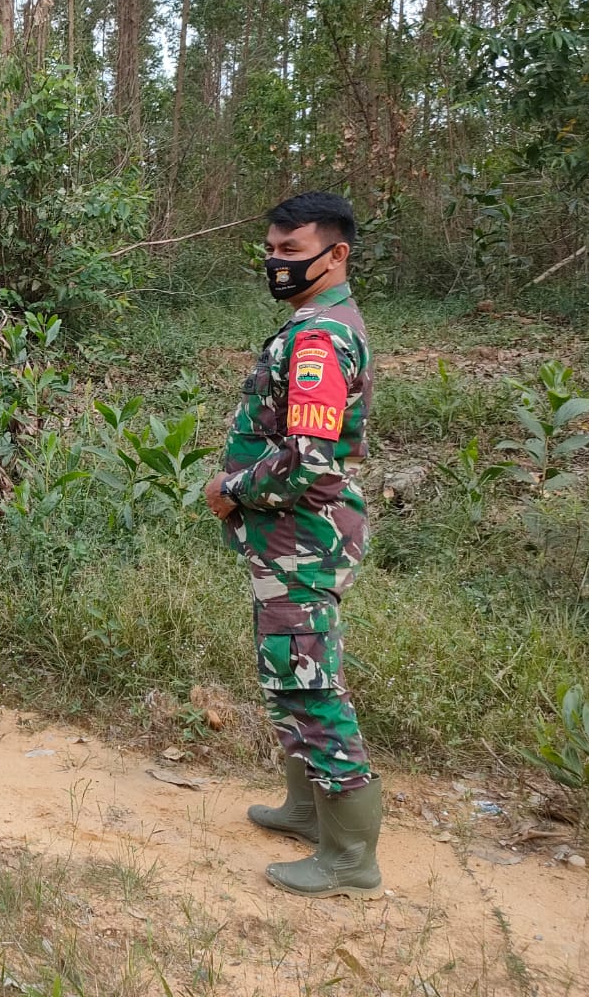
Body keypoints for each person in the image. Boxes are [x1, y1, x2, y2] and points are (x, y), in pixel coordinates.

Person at [202, 192, 383, 898]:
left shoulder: (319, 339)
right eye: (271, 251)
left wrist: (233, 488)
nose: (277, 263)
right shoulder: (316, 323)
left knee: (308, 683)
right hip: (290, 537)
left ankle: (349, 860)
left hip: (301, 536)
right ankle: (308, 809)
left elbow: (309, 459)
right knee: (289, 673)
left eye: (292, 251)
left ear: (336, 253)